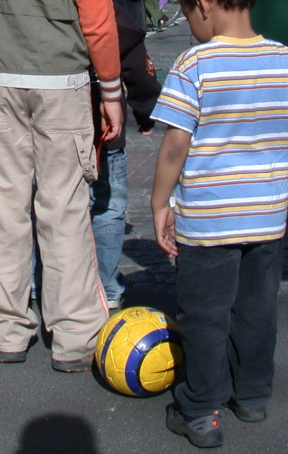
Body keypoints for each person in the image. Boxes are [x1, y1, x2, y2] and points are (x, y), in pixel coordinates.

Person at [150, 0, 288, 448]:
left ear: (206, 4)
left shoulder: (195, 62)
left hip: (209, 221)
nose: (190, 22)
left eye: (187, 10)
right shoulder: (285, 59)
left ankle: (199, 409)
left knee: (205, 316)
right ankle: (252, 395)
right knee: (257, 309)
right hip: (267, 219)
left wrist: (159, 203)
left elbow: (176, 144)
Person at [0, 0, 123, 371]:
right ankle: (75, 333)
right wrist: (112, 92)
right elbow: (98, 20)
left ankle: (5, 326)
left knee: (0, 210)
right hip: (61, 80)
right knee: (65, 210)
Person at [90, 3, 162, 310]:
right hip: (106, 127)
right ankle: (106, 284)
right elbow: (137, 69)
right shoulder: (120, 15)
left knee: (51, 202)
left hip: (55, 120)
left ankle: (40, 281)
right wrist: (146, 113)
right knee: (108, 204)